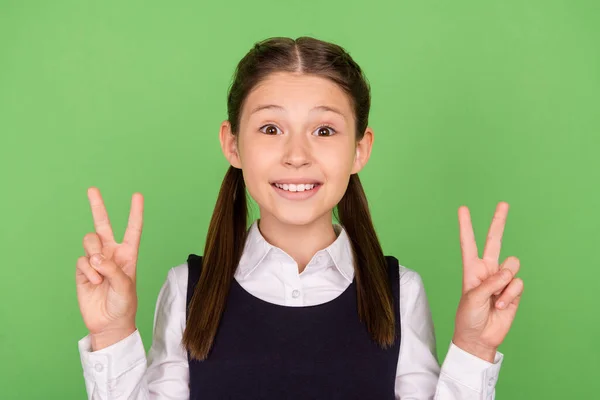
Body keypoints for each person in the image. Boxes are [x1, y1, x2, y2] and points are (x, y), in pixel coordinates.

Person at [76, 36, 524, 399]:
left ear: (360, 150)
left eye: (324, 130)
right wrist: (113, 331)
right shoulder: (187, 289)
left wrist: (475, 347)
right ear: (232, 144)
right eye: (270, 129)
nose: (296, 155)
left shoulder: (400, 293)